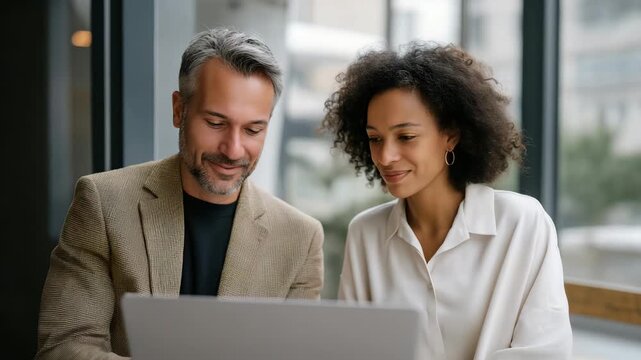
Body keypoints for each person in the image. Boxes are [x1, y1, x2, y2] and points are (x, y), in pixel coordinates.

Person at [36, 28, 324, 359]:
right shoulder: (103, 202)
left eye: (253, 130)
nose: (233, 149)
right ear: (178, 110)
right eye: (216, 123)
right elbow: (63, 346)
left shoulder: (300, 238)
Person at [322, 42, 572, 359]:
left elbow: (545, 352)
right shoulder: (366, 233)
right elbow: (353, 351)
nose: (385, 156)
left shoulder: (522, 224)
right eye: (375, 138)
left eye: (406, 136)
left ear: (450, 135)